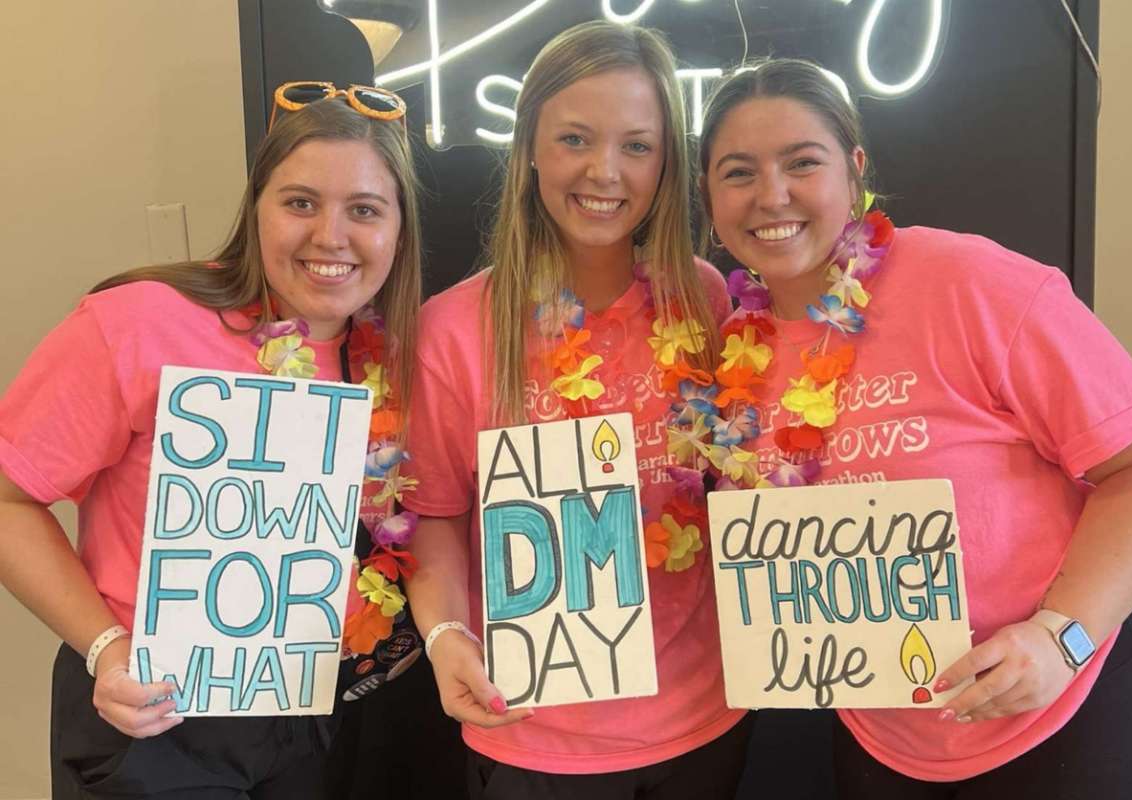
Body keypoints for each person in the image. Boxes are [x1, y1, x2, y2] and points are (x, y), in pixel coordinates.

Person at [697, 58, 1132, 798]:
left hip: (1068, 713)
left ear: (855, 167)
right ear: (709, 198)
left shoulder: (967, 282)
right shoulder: (731, 353)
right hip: (884, 745)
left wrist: (1065, 637)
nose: (772, 195)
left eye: (803, 162)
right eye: (738, 173)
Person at [0, 86, 430, 798]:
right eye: (299, 202)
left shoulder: (399, 362)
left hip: (315, 724)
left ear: (399, 231)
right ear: (255, 208)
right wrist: (107, 651)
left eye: (363, 209)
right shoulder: (137, 324)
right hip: (152, 722)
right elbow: (9, 500)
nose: (330, 236)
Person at [403, 20, 749, 800]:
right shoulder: (455, 331)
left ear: (667, 163)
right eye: (574, 139)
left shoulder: (706, 297)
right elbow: (433, 513)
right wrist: (447, 634)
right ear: (528, 148)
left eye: (637, 145)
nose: (605, 171)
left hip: (705, 716)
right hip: (530, 732)